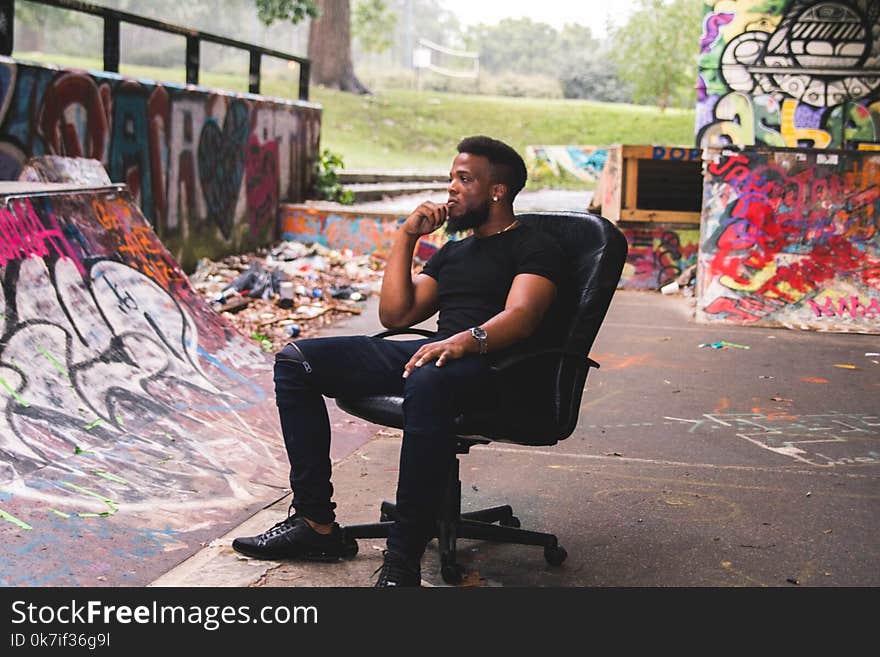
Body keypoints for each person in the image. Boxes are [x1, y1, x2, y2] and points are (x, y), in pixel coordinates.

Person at [232, 135, 565, 586]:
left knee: (429, 378)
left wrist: (464, 342)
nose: (451, 188)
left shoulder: (534, 245)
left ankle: (402, 558)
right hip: (436, 353)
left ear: (497, 191)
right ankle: (315, 525)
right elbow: (396, 313)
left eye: (464, 179)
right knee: (298, 361)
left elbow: (522, 316)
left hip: (496, 365)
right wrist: (407, 237)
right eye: (450, 177)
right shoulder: (454, 251)